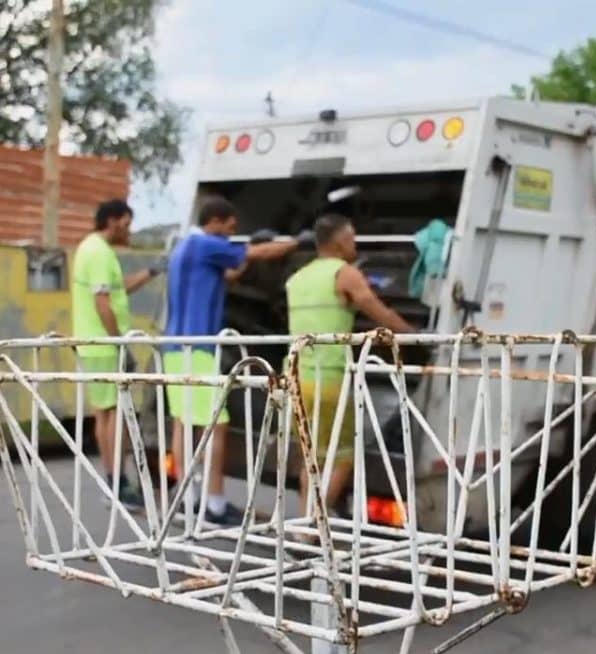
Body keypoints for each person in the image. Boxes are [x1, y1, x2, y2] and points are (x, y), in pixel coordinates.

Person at [165, 196, 305, 525]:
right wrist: (295, 242)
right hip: (198, 346)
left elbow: (229, 274)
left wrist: (245, 254)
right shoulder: (207, 244)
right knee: (218, 424)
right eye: (230, 226)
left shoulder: (187, 248)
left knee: (183, 421)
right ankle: (213, 504)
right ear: (215, 220)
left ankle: (188, 497)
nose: (232, 233)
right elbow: (257, 255)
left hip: (174, 346)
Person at [286, 213, 414, 516]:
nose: (355, 244)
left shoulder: (298, 277)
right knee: (342, 456)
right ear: (342, 242)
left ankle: (305, 525)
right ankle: (314, 522)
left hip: (297, 376)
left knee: (312, 456)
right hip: (329, 380)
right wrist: (414, 336)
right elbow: (377, 310)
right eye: (353, 238)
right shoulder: (344, 273)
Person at [72, 198, 161, 510]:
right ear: (112, 220)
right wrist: (120, 343)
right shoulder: (97, 252)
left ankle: (113, 480)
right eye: (126, 221)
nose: (129, 229)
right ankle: (116, 483)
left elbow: (116, 287)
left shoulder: (93, 248)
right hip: (104, 344)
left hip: (95, 344)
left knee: (105, 412)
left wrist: (150, 272)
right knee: (114, 414)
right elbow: (102, 304)